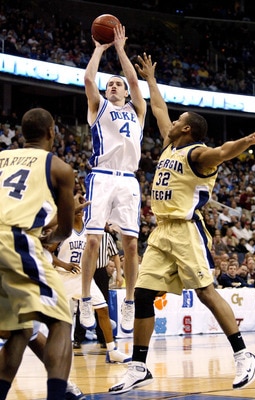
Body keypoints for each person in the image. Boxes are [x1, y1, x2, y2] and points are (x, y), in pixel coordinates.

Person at [108, 53, 255, 394]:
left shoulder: (198, 154)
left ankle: (244, 355)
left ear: (186, 129)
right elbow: (157, 108)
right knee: (141, 294)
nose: (168, 122)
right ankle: (139, 365)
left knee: (206, 293)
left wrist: (245, 143)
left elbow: (223, 151)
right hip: (161, 231)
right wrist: (151, 80)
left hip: (187, 230)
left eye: (177, 120)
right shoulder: (171, 144)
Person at [0, 108, 75, 400]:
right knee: (60, 320)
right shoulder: (59, 168)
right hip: (16, 239)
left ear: (22, 133)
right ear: (51, 132)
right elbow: (65, 231)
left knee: (21, 329)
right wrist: (47, 237)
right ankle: (57, 395)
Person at [80, 23, 147, 334]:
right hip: (102, 176)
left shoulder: (138, 110)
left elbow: (135, 80)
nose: (114, 87)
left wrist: (120, 47)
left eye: (118, 84)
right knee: (93, 240)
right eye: (111, 85)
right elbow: (88, 79)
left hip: (128, 180)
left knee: (131, 245)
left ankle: (129, 301)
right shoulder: (99, 107)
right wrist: (99, 48)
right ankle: (84, 298)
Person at [49, 195, 131, 363]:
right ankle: (56, 351)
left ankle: (112, 350)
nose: (79, 210)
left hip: (84, 278)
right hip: (63, 277)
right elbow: (46, 252)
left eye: (81, 207)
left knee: (104, 310)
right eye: (76, 207)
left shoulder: (89, 230)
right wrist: (64, 264)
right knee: (58, 318)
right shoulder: (62, 229)